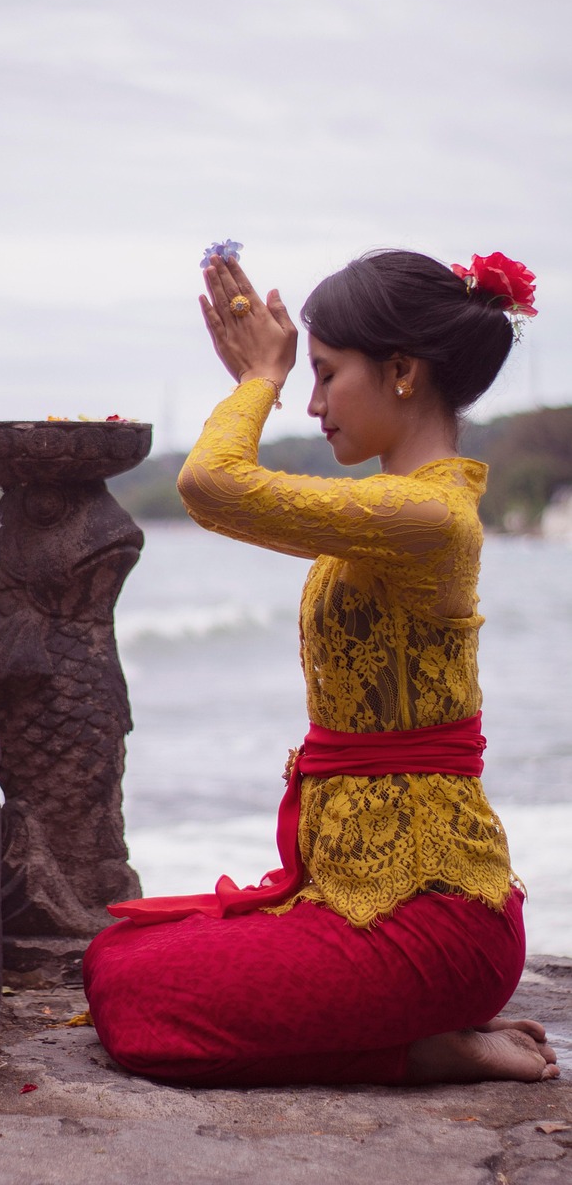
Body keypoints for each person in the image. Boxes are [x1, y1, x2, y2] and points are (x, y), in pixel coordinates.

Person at [82, 247, 560, 1087]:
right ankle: (421, 1032)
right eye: (302, 375)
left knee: (136, 999)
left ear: (402, 371)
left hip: (432, 916)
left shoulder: (428, 516)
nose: (311, 401)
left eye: (325, 373)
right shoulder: (389, 510)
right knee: (123, 949)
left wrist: (255, 381)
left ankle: (418, 1044)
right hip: (354, 892)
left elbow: (210, 484)